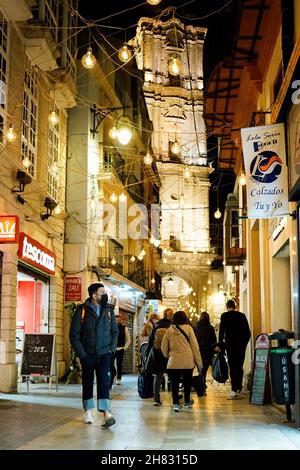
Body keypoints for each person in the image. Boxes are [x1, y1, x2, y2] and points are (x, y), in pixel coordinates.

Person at [69, 283, 118, 427]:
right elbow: (74, 335)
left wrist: (111, 350)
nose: (105, 295)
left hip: (104, 353)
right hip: (88, 354)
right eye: (102, 292)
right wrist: (82, 354)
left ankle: (106, 412)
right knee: (88, 381)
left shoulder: (109, 311)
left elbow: (115, 332)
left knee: (104, 381)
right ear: (94, 295)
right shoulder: (82, 311)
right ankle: (88, 411)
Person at [161, 310, 202, 412]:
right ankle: (186, 402)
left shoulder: (169, 330)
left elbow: (163, 346)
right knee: (187, 382)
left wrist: (168, 355)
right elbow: (195, 347)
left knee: (174, 383)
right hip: (187, 361)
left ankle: (175, 404)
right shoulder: (189, 329)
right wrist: (199, 363)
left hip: (174, 361)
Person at [219, 299, 251, 399]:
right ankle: (238, 387)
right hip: (241, 346)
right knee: (239, 366)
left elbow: (221, 333)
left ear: (227, 307)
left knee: (232, 367)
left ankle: (233, 390)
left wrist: (222, 347)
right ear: (235, 306)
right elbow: (248, 333)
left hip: (230, 345)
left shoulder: (224, 316)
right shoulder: (242, 316)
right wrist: (244, 344)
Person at [145, 308, 174, 406]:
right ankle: (175, 397)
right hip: (169, 354)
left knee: (158, 376)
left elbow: (150, 341)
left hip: (157, 354)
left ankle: (156, 398)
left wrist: (147, 354)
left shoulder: (156, 325)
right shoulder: (172, 326)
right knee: (172, 376)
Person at [194, 311, 217, 394]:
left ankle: (201, 387)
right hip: (208, 352)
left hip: (198, 352)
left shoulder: (196, 327)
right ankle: (201, 388)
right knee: (204, 370)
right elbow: (214, 340)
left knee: (201, 370)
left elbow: (194, 340)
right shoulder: (210, 328)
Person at [111, 315, 131, 386]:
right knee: (110, 364)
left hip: (120, 349)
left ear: (121, 320)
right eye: (116, 320)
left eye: (119, 320)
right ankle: (114, 374)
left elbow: (128, 340)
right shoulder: (111, 327)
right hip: (112, 349)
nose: (117, 321)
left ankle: (118, 378)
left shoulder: (124, 328)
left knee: (119, 364)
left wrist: (124, 348)